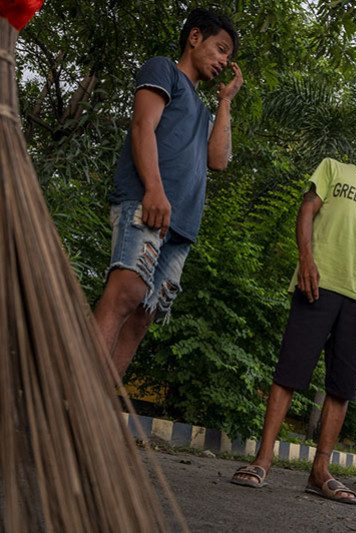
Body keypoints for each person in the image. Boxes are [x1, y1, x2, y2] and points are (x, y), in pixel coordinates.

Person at [230, 126, 356, 504]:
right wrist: (306, 259)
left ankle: (320, 471)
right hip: (318, 283)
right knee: (290, 372)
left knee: (341, 386)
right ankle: (263, 459)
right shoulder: (332, 169)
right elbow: (307, 209)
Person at [93, 9, 243, 379]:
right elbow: (143, 125)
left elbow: (218, 160)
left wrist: (224, 102)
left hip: (181, 227)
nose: (224, 61)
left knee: (144, 315)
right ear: (194, 38)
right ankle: (74, 402)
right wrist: (155, 190)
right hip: (148, 202)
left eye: (228, 55)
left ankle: (99, 412)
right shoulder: (164, 71)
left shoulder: (204, 108)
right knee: (126, 291)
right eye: (221, 49)